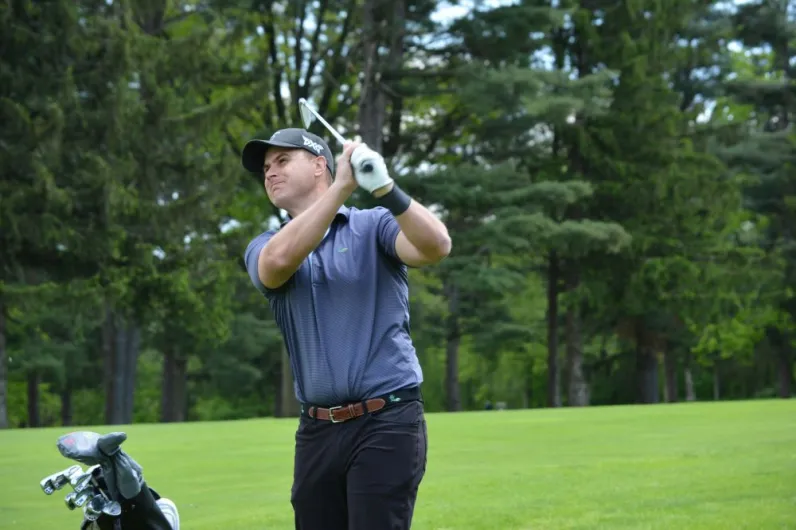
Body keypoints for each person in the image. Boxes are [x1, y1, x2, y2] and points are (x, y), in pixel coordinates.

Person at [241, 127, 452, 530]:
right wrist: (341, 187)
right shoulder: (265, 244)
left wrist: (386, 188)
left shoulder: (373, 226)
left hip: (387, 419)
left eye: (283, 161)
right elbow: (277, 263)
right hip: (317, 431)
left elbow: (436, 246)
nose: (270, 173)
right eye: (266, 167)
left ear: (320, 164)